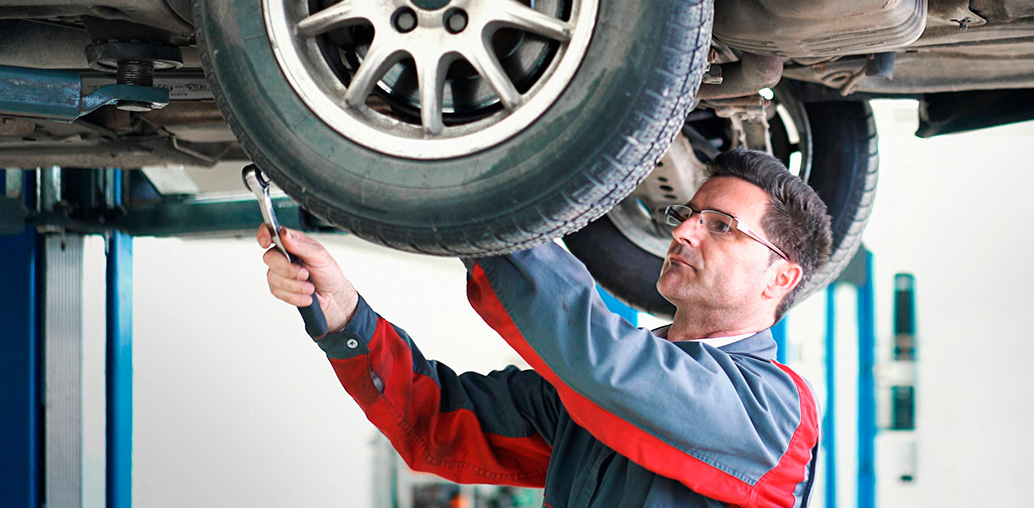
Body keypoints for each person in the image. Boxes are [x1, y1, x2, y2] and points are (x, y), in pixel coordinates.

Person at [259, 148, 831, 507]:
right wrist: (342, 315)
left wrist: (471, 171)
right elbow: (438, 424)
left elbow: (601, 363)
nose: (684, 233)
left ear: (780, 277)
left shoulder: (775, 414)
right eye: (688, 217)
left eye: (723, 227)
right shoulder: (591, 398)